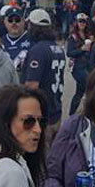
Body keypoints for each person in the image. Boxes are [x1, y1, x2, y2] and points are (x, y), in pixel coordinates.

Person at [21, 9, 67, 141]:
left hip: (41, 116)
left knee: (41, 158)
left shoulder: (38, 50)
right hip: (56, 111)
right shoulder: (59, 49)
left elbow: (31, 85)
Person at [66, 13, 94, 116]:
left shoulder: (88, 36)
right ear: (76, 23)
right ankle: (89, 113)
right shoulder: (72, 37)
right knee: (90, 87)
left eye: (84, 22)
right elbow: (69, 53)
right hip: (77, 67)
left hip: (87, 66)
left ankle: (71, 115)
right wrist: (81, 49)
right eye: (80, 21)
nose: (82, 23)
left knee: (79, 92)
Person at [1, 7, 33, 74]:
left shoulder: (32, 40)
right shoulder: (0, 42)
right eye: (10, 20)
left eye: (17, 20)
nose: (14, 23)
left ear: (23, 21)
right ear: (5, 22)